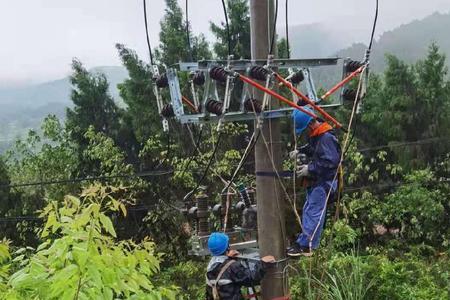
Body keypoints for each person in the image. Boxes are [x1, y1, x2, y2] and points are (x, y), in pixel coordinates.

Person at [286, 108, 341, 257]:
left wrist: (310, 169)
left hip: (325, 183)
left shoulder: (326, 138)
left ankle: (305, 244)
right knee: (309, 209)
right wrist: (301, 151)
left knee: (313, 212)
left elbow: (330, 162)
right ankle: (306, 240)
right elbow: (314, 149)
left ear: (310, 124)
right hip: (319, 181)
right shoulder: (318, 136)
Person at [206, 232, 275, 300]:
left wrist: (229, 258)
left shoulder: (210, 265)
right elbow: (251, 278)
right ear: (227, 247)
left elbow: (224, 271)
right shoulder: (232, 267)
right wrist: (263, 263)